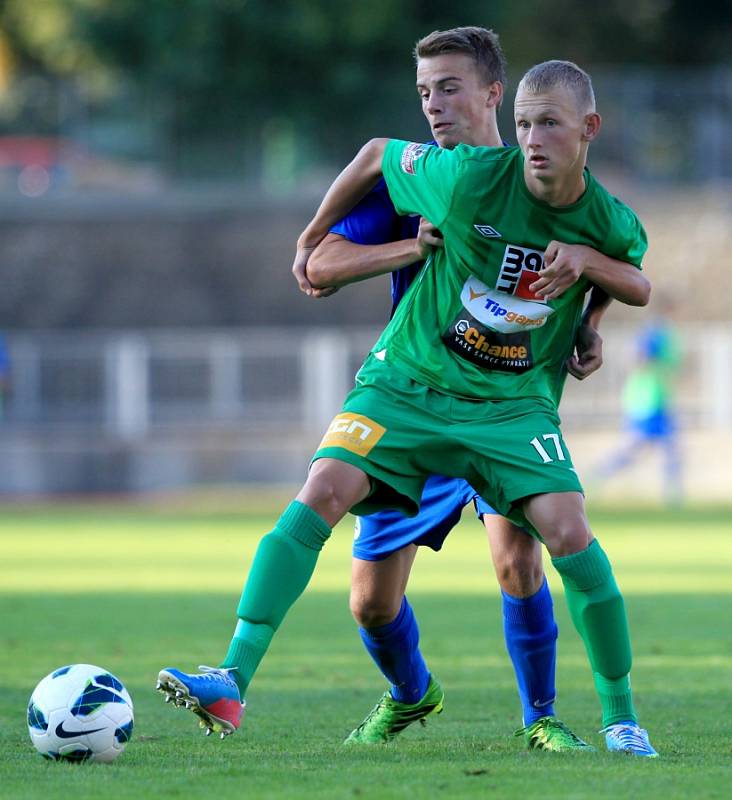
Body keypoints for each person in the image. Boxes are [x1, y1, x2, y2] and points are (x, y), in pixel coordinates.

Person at [158, 57, 658, 757]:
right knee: (325, 501)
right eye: (525, 124)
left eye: (549, 124)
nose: (534, 138)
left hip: (509, 406)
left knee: (563, 535)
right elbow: (375, 157)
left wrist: (589, 301)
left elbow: (632, 273)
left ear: (589, 130)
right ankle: (230, 677)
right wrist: (310, 241)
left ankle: (618, 720)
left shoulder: (605, 215)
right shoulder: (463, 180)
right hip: (408, 387)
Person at [291, 27, 648, 752]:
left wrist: (589, 320)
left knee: (521, 561)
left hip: (506, 405)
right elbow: (316, 268)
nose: (432, 106)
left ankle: (543, 717)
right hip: (417, 403)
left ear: (492, 93)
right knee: (369, 603)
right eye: (423, 92)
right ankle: (410, 694)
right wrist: (411, 246)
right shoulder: (417, 181)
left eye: (448, 88)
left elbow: (621, 259)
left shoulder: (547, 184)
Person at [593, 294, 682, 503]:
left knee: (672, 448)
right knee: (634, 448)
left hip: (659, 400)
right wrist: (649, 365)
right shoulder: (654, 332)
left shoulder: (664, 331)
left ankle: (674, 497)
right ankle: (598, 475)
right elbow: (637, 357)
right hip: (646, 400)